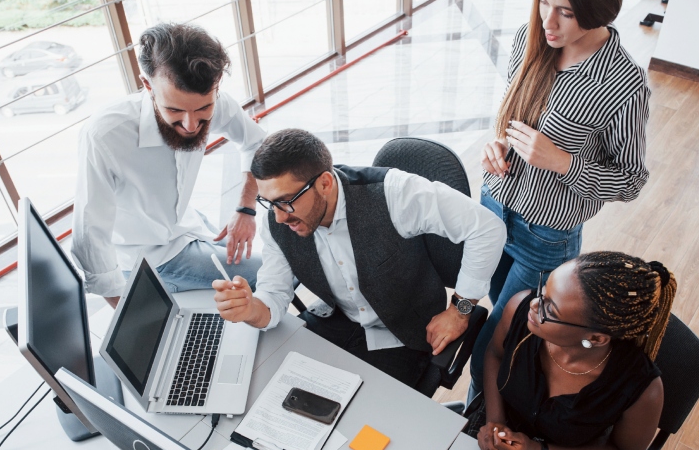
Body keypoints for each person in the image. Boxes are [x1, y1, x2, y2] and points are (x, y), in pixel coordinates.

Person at [213, 129, 505, 388]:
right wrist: (252, 309)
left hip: (404, 333)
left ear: (325, 183)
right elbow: (274, 294)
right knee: (271, 388)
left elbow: (488, 228)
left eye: (286, 201)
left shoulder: (395, 194)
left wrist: (460, 310)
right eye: (269, 202)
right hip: (336, 320)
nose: (278, 216)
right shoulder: (276, 220)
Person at [470, 0, 651, 399]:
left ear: (595, 12)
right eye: (544, 2)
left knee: (489, 349)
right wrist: (497, 144)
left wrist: (563, 162)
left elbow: (631, 180)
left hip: (544, 236)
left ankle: (475, 428)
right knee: (508, 322)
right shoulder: (530, 38)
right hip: (493, 207)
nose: (549, 21)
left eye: (566, 13)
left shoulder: (624, 85)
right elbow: (513, 115)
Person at [72, 23, 266, 308]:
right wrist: (128, 311)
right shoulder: (106, 135)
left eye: (203, 111)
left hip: (187, 224)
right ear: (147, 84)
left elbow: (256, 143)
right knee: (267, 273)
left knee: (277, 261)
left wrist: (246, 209)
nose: (190, 125)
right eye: (175, 110)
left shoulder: (217, 102)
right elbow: (90, 234)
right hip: (149, 256)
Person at [465, 251, 675, 450]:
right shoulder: (519, 309)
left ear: (595, 338)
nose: (534, 304)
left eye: (550, 310)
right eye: (543, 290)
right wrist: (494, 422)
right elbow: (495, 354)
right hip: (502, 416)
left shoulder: (641, 389)